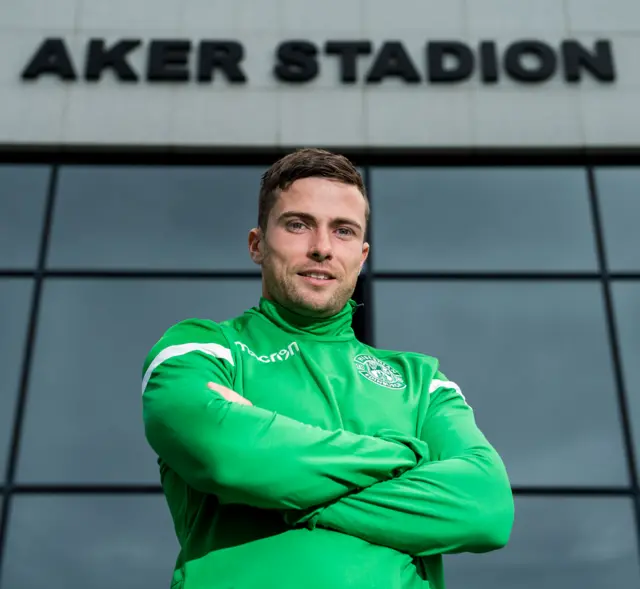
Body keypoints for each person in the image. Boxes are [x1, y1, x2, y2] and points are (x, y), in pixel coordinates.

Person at [141, 148, 514, 589]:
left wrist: (271, 492)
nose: (321, 248)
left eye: (343, 231)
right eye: (298, 224)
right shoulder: (202, 348)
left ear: (362, 253)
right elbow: (223, 457)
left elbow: (486, 509)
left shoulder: (423, 382)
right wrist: (404, 456)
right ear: (257, 244)